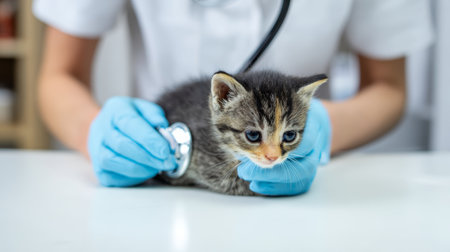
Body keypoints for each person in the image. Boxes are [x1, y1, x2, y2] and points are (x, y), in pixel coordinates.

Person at [33, 0, 433, 195]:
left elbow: (390, 88)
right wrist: (101, 134)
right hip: (156, 170)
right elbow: (58, 75)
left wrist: (322, 129)